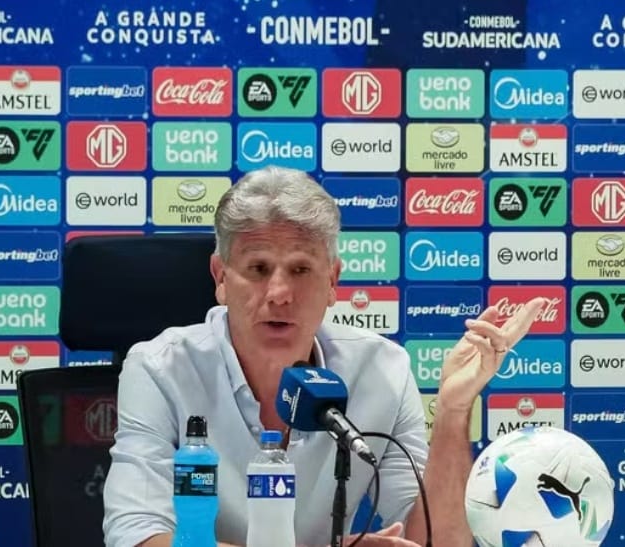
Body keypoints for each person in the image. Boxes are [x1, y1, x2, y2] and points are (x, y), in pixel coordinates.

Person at [102, 166, 549, 547]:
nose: (279, 293)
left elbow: (436, 541)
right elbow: (137, 535)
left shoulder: (382, 370)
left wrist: (453, 411)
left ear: (333, 282)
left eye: (301, 269)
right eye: (258, 269)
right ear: (221, 278)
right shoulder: (160, 369)